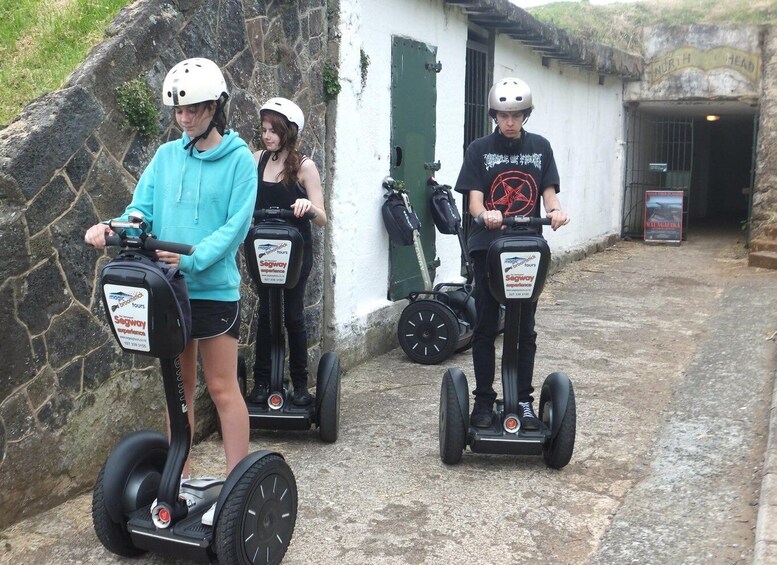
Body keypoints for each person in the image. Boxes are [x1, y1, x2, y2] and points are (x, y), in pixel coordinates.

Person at [84, 58, 257, 524]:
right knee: (176, 390)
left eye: (195, 110)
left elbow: (235, 227)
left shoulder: (240, 160)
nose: (185, 120)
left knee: (222, 389)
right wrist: (110, 226)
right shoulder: (165, 157)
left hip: (213, 290)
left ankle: (237, 491)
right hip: (169, 289)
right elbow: (141, 211)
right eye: (179, 112)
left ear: (216, 108)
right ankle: (176, 483)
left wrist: (194, 256)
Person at [454, 77, 570, 430]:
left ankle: (522, 400)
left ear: (525, 115)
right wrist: (483, 214)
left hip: (526, 246)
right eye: (503, 114)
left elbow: (548, 192)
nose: (509, 121)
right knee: (487, 324)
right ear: (494, 114)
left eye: (516, 114)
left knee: (525, 328)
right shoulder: (479, 150)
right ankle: (485, 401)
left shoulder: (541, 147)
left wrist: (556, 211)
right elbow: (474, 199)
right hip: (488, 247)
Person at [246, 97, 328, 407]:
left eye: (274, 130)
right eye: (264, 129)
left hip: (295, 253)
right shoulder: (256, 160)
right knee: (266, 315)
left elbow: (322, 217)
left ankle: (300, 385)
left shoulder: (304, 166)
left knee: (293, 315)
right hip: (262, 250)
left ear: (289, 132)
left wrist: (308, 207)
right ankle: (261, 382)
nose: (267, 135)